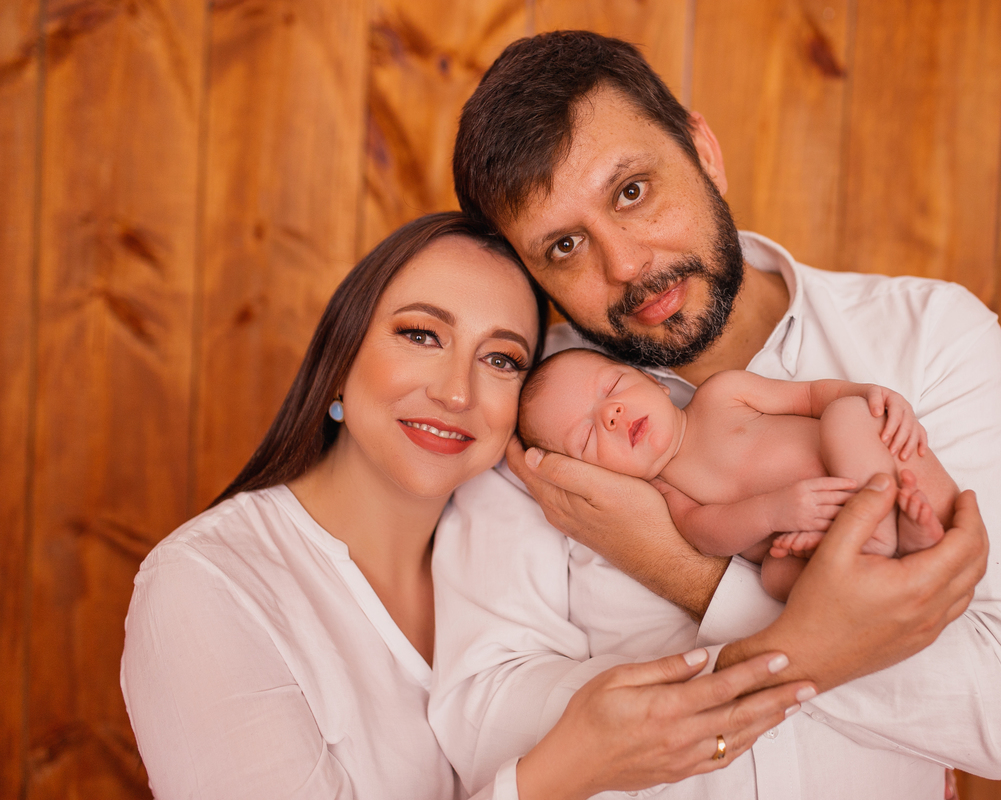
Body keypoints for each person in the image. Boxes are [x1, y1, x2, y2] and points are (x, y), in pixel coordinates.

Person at [430, 30, 1001, 798]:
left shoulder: (931, 339)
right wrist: (832, 647)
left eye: (632, 191)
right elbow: (483, 720)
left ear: (704, 152)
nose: (625, 265)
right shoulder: (538, 424)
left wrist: (683, 572)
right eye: (564, 245)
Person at [119, 213, 822, 800]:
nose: (458, 392)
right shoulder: (206, 588)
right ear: (341, 353)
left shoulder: (517, 556)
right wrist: (566, 768)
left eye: (502, 360)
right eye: (421, 335)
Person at [516, 348, 958, 601]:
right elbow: (705, 534)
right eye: (588, 437)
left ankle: (882, 528)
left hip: (869, 473)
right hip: (817, 536)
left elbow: (810, 396)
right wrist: (773, 512)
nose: (611, 415)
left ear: (655, 381)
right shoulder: (664, 492)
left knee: (845, 414)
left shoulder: (722, 394)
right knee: (774, 577)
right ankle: (899, 550)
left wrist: (872, 395)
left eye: (613, 388)